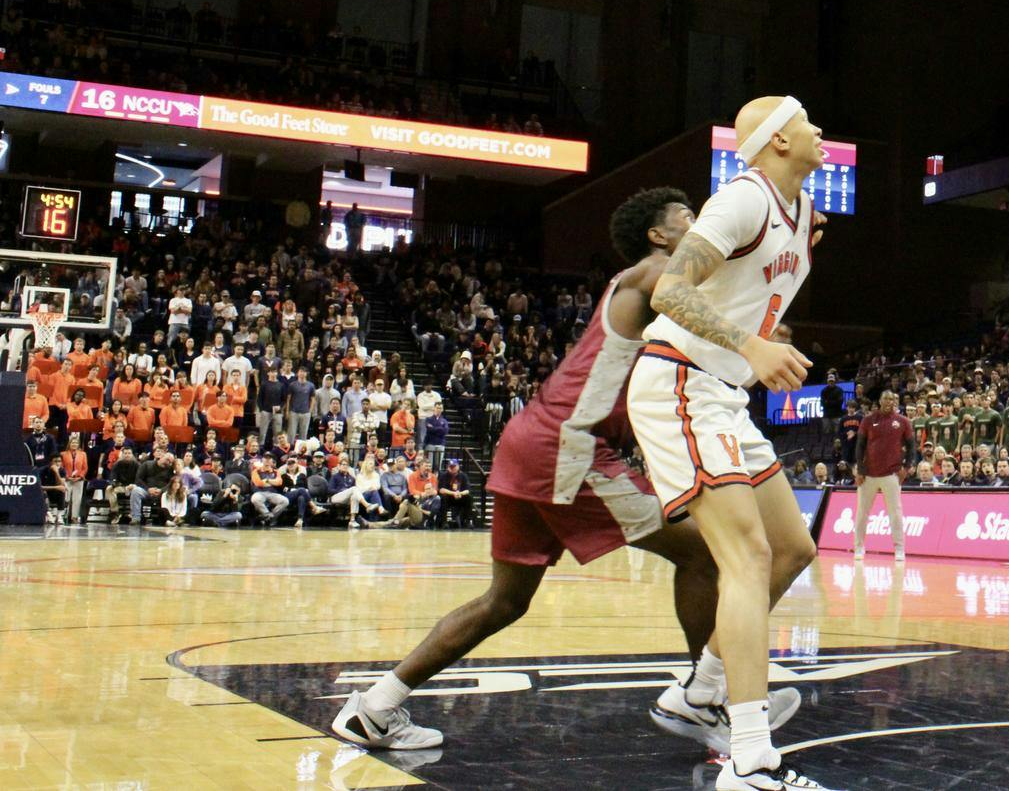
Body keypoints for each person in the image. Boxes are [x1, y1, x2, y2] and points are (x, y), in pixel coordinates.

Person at [335, 187, 801, 763]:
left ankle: (374, 707)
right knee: (706, 553)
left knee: (504, 602)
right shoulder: (656, 272)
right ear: (658, 235)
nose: (701, 221)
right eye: (687, 216)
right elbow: (712, 302)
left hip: (533, 443)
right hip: (569, 449)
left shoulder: (663, 283)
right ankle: (704, 698)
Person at [628, 97, 831, 791]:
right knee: (746, 556)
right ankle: (750, 759)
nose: (818, 130)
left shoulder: (800, 212)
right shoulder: (743, 198)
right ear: (778, 141)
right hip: (681, 380)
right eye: (805, 121)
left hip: (722, 392)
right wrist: (751, 345)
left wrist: (756, 342)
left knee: (792, 548)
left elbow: (752, 284)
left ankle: (701, 689)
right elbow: (668, 291)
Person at [852, 390, 916, 561]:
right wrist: (860, 470)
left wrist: (906, 468)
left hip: (891, 473)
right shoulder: (868, 420)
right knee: (862, 513)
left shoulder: (903, 421)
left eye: (892, 399)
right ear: (880, 401)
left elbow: (912, 447)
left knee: (895, 513)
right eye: (886, 399)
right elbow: (860, 446)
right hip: (868, 474)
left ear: (895, 402)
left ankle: (899, 549)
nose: (889, 402)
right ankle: (859, 548)